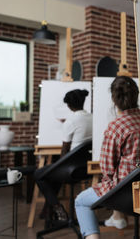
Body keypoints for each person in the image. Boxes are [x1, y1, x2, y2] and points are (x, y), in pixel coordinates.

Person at [75, 76, 140, 239]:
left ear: (114, 99)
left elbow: (107, 168)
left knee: (81, 201)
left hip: (123, 194)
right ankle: (116, 217)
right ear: (136, 95)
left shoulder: (116, 126)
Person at [35, 89, 92, 222]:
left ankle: (57, 208)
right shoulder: (92, 118)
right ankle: (48, 209)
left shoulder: (70, 122)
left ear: (69, 106)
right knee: (52, 173)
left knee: (39, 174)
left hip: (72, 169)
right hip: (87, 168)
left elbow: (64, 152)